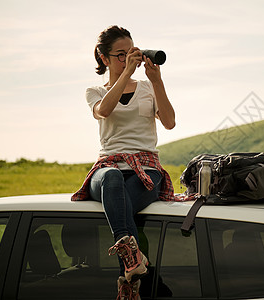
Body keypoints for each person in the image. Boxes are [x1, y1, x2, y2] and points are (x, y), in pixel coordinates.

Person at [71, 25, 180, 300]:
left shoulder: (147, 88)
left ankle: (131, 273)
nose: (127, 59)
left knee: (121, 208)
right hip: (108, 167)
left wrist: (157, 81)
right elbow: (105, 110)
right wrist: (127, 74)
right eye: (120, 55)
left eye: (131, 52)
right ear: (103, 58)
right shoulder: (95, 91)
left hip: (147, 170)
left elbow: (169, 122)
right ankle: (142, 271)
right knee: (112, 178)